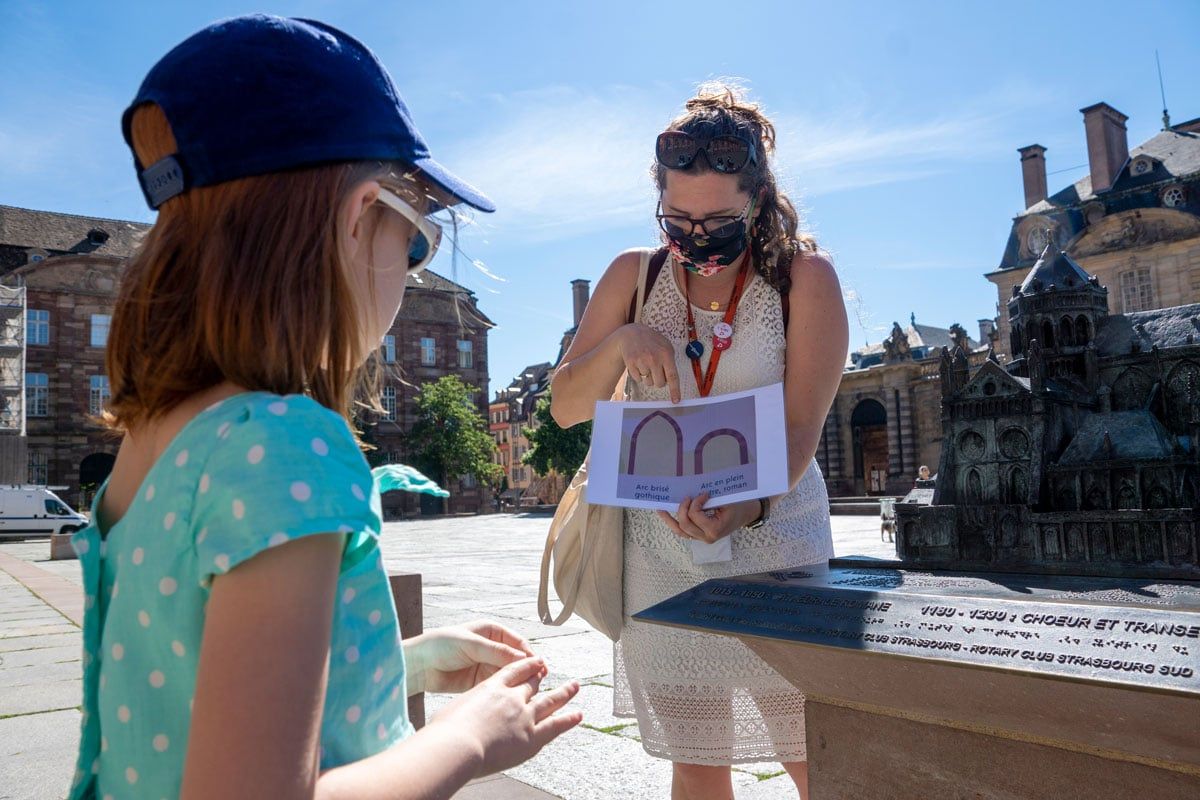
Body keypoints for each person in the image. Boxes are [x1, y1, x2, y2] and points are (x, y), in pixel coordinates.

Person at [69, 15, 580, 800]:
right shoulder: (286, 445)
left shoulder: (157, 439)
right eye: (416, 242)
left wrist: (402, 659)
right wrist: (471, 738)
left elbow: (182, 674)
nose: (411, 276)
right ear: (357, 214)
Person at [551, 84, 848, 800]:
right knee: (696, 756)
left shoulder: (802, 279)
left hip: (777, 536)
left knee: (815, 748)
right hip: (659, 545)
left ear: (758, 197)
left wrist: (748, 508)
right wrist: (620, 341)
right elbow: (565, 406)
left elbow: (802, 427)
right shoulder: (635, 273)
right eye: (678, 216)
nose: (696, 232)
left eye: (719, 217)